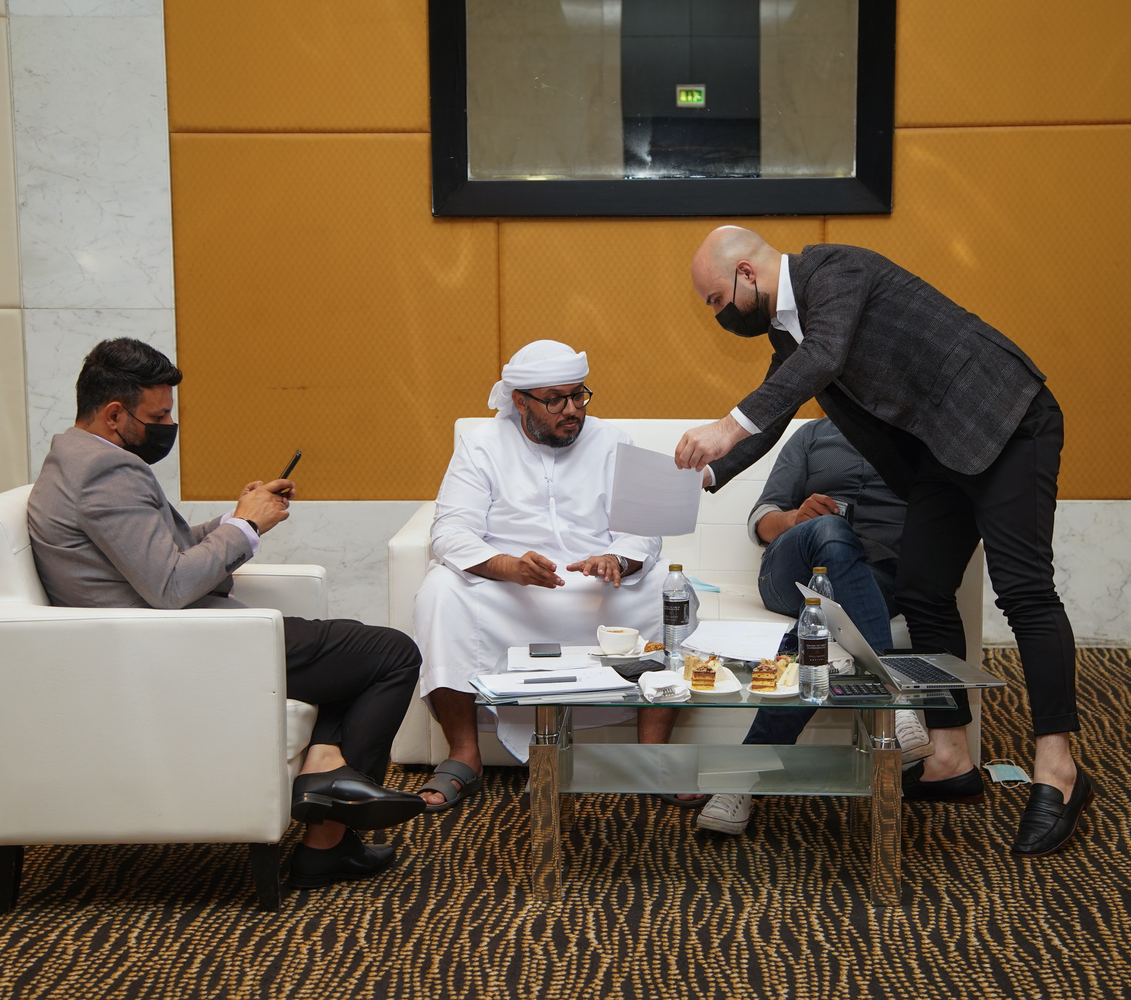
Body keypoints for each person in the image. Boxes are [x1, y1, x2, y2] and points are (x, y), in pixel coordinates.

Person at [676, 226, 1091, 856]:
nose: (718, 315)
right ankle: (949, 756)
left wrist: (726, 426)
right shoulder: (791, 333)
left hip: (1004, 420)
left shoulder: (835, 271)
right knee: (923, 591)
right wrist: (702, 475)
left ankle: (1059, 769)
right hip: (939, 456)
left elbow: (823, 358)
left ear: (747, 275)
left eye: (715, 300)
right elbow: (779, 410)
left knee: (1025, 591)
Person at [27, 338, 426, 888]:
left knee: (352, 649)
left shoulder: (73, 459)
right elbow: (170, 585)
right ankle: (328, 833)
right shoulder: (105, 472)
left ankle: (327, 773)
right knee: (391, 653)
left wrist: (236, 518)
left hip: (172, 632)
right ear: (114, 414)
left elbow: (152, 555)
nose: (169, 426)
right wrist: (247, 526)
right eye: (158, 417)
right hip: (179, 643)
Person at [413, 340, 669, 810]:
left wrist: (616, 559)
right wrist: (507, 566)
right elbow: (449, 531)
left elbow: (644, 529)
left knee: (662, 589)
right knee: (440, 591)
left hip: (596, 591)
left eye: (578, 395)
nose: (572, 410)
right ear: (520, 401)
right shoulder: (482, 445)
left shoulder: (614, 441)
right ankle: (464, 755)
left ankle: (654, 756)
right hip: (510, 593)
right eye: (555, 400)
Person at [694, 417, 932, 835]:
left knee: (814, 630)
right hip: (794, 572)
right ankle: (893, 699)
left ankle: (741, 781)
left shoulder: (921, 440)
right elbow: (761, 520)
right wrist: (793, 518)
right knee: (830, 528)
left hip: (874, 579)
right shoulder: (813, 435)